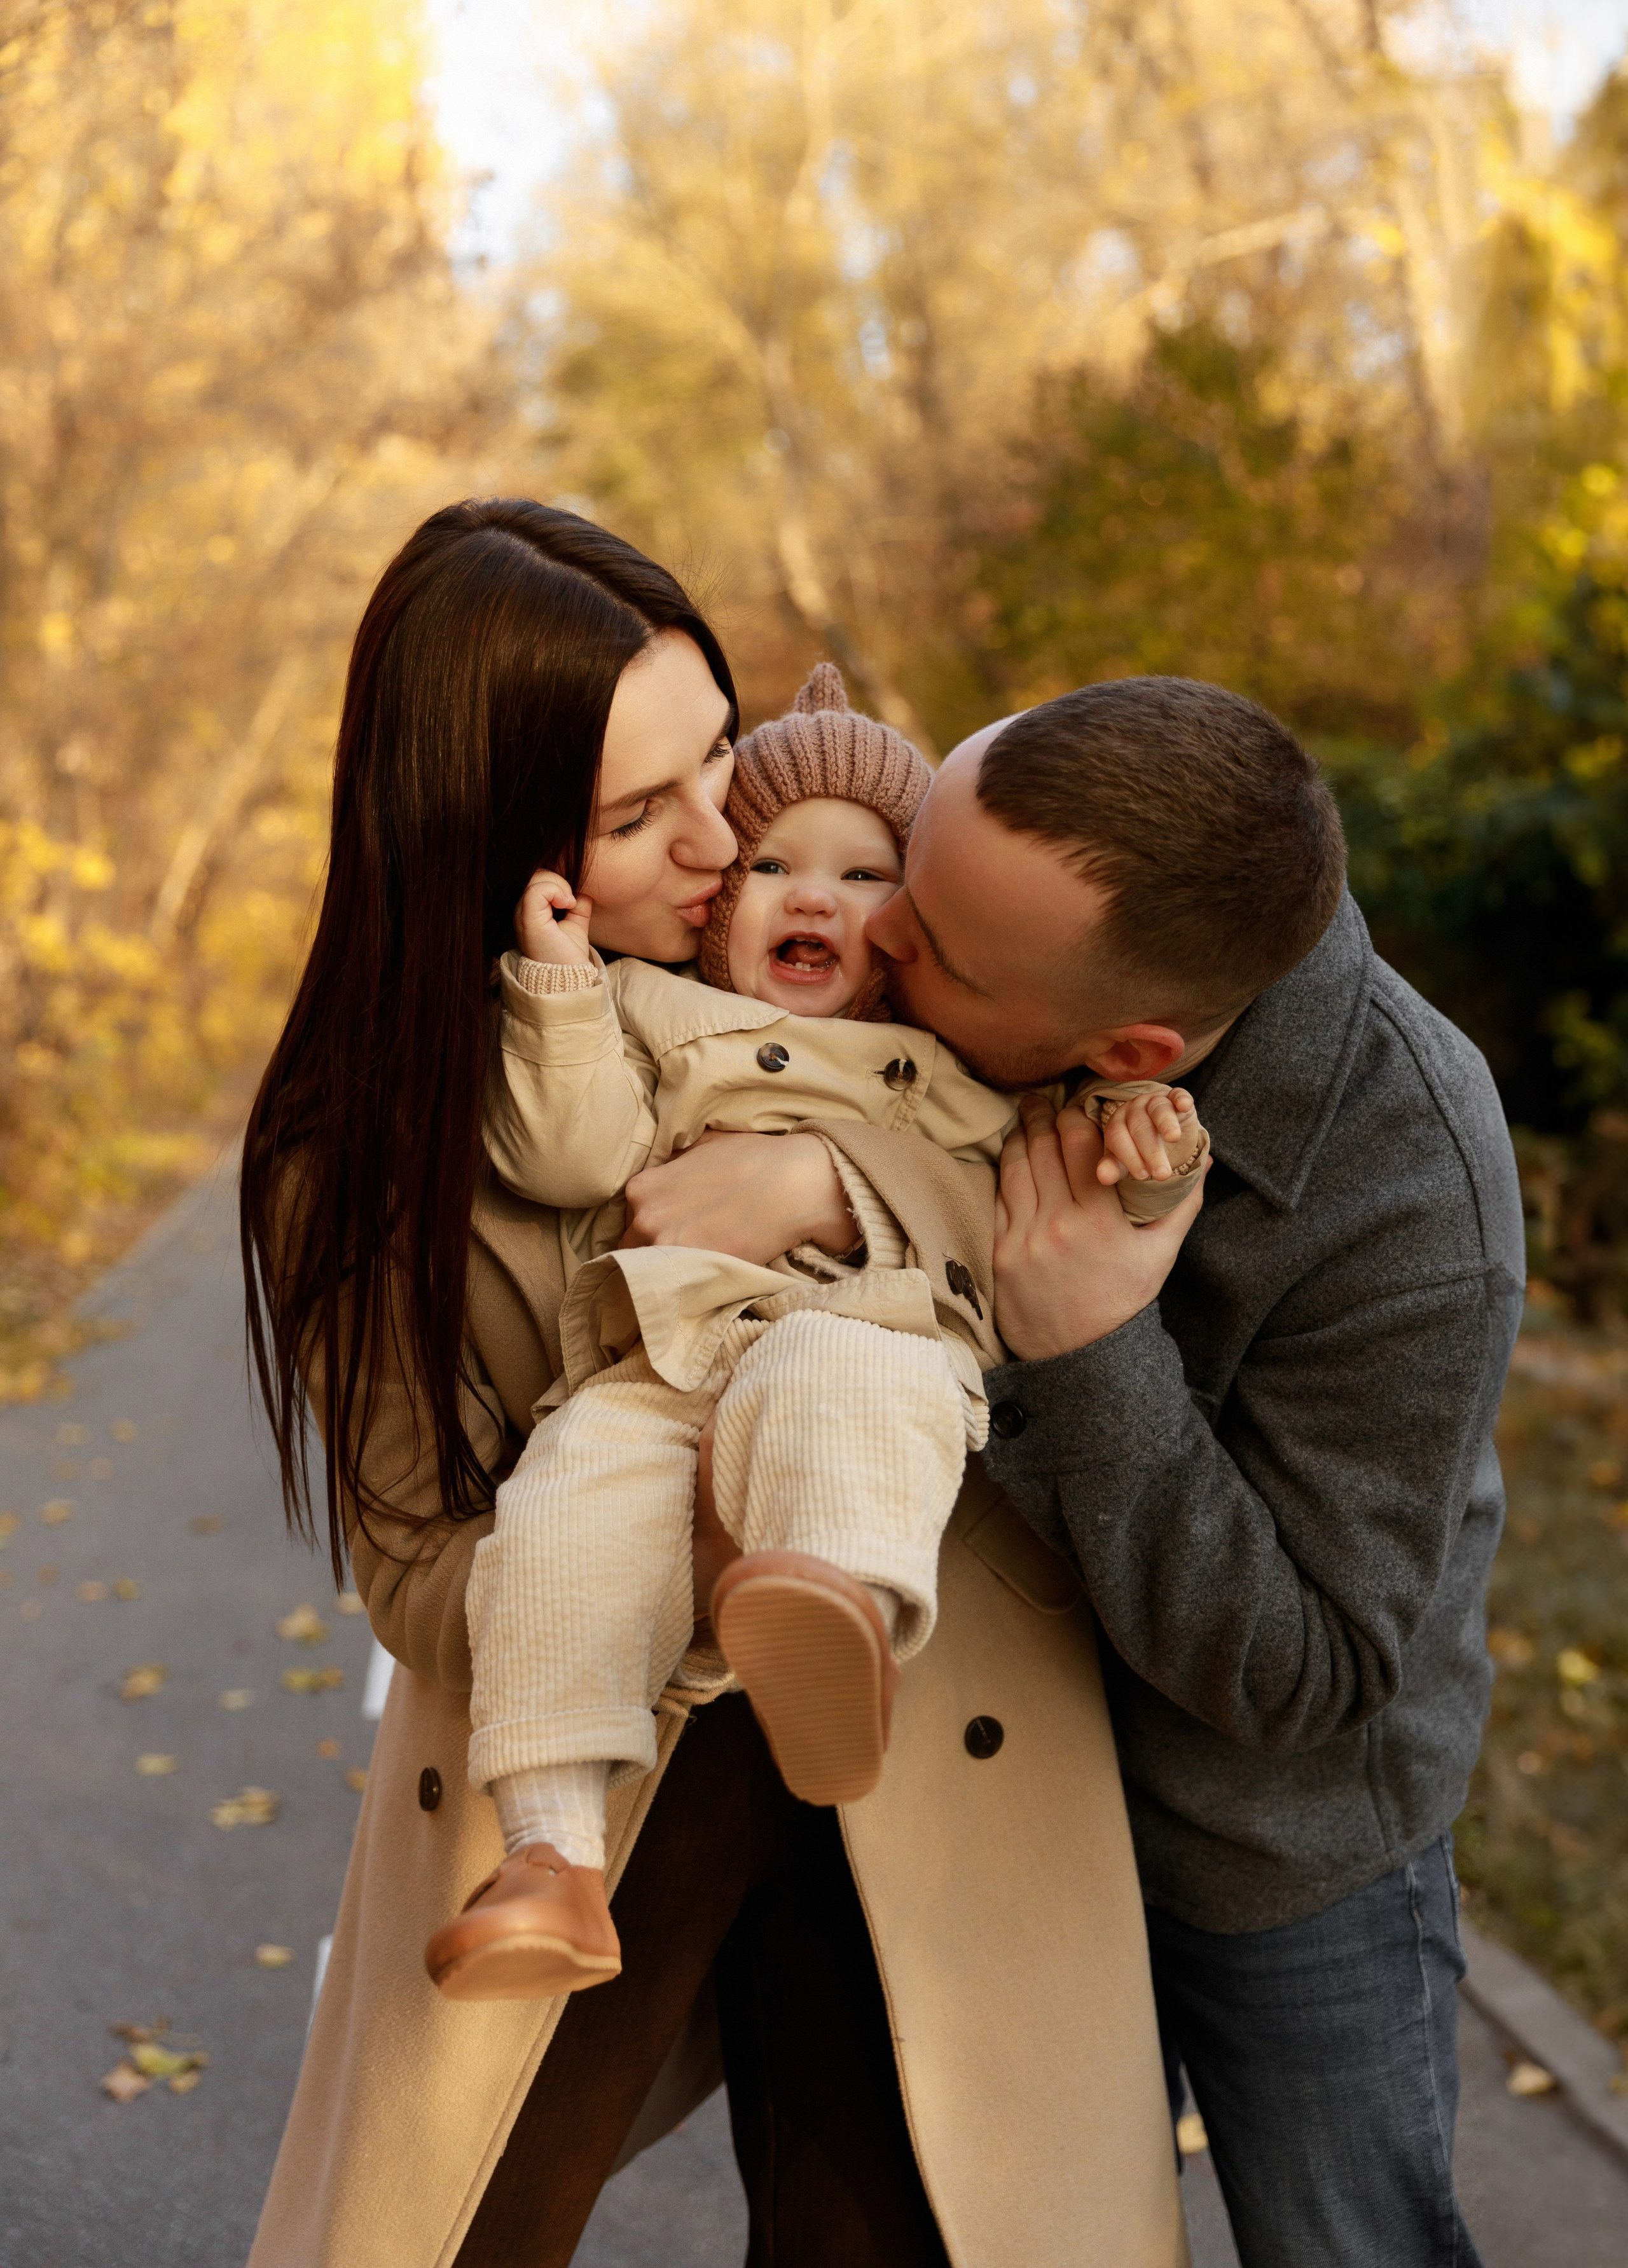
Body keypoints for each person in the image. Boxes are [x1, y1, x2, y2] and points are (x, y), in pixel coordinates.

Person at [240, 500, 1189, 2268]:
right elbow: (420, 1579)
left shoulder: (820, 942)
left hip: (918, 1734)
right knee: (474, 2226)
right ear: (497, 848)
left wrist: (832, 1189)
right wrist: (680, 1515)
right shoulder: (357, 1150)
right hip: (609, 1761)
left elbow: (1045, 1134)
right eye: (637, 818)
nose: (722, 842)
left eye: (719, 765)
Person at [849, 675, 1523, 2268]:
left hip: (1267, 1851)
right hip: (982, 1795)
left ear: (1128, 1045)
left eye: (930, 944)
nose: (881, 937)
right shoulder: (1005, 932)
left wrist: (1083, 1349)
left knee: (1344, 2243)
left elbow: (1311, 1671)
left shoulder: (1407, 1196)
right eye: (910, 870)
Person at [427, 665, 1204, 2002]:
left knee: (844, 1375)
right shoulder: (650, 1013)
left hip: (863, 1327)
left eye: (860, 876)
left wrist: (1148, 1161)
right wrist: (556, 991)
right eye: (776, 861)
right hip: (656, 1359)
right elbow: (570, 1156)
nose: (811, 897)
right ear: (722, 900)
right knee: (562, 1513)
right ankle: (551, 1853)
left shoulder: (952, 1063)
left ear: (906, 923)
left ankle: (831, 1603)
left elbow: (1045, 1194)